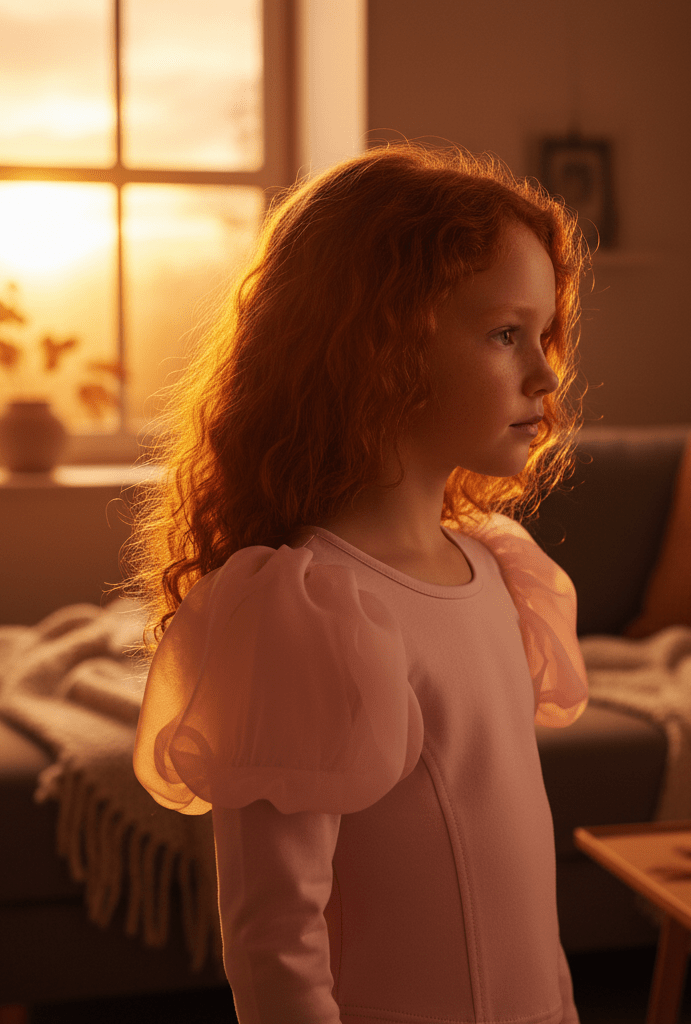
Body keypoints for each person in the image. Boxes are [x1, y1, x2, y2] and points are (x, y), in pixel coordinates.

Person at [130, 142, 590, 1024]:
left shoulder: (501, 569)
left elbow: (522, 910)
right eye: (504, 333)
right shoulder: (303, 613)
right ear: (380, 341)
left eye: (545, 335)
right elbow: (274, 946)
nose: (545, 373)